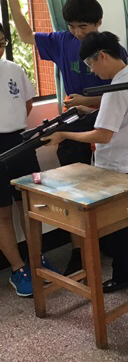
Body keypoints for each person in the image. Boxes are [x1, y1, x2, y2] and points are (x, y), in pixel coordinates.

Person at [5, 0, 128, 277]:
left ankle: (112, 241)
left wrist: (89, 101)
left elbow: (123, 93)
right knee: (75, 188)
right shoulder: (62, 41)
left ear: (98, 23)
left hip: (109, 123)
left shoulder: (111, 49)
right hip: (74, 124)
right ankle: (79, 250)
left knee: (109, 186)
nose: (77, 33)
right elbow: (26, 35)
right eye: (72, 26)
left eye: (83, 27)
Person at [42, 32, 128, 293]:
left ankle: (126, 275)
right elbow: (118, 117)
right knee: (123, 223)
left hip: (114, 165)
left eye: (91, 63)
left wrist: (64, 135)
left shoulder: (116, 89)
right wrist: (88, 110)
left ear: (102, 56)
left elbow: (103, 135)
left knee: (119, 227)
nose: (91, 70)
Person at [0, 23, 56, 297]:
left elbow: (27, 103)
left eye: (1, 42)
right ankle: (18, 269)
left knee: (29, 203)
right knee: (2, 212)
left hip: (19, 143)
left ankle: (37, 259)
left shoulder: (14, 69)